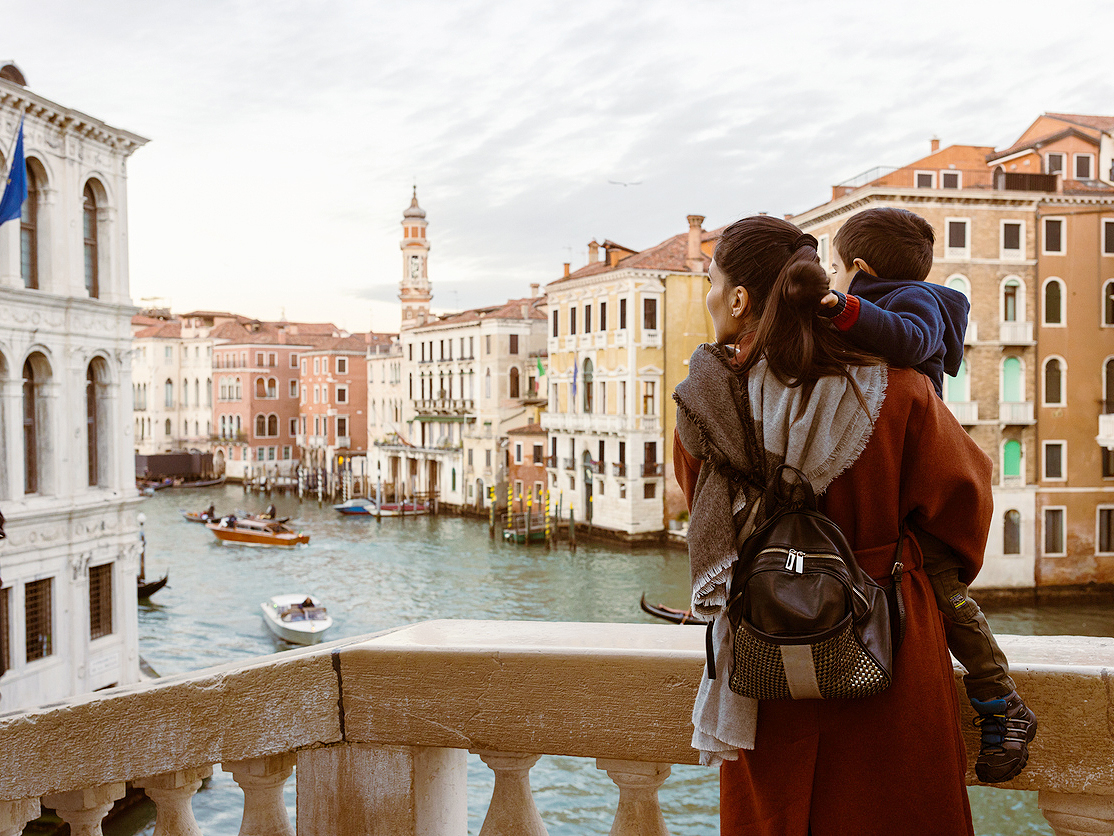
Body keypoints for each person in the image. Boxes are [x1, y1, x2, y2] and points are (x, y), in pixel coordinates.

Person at [673, 215, 994, 835]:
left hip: (764, 654)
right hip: (891, 642)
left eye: (712, 281)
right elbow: (965, 506)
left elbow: (703, 509)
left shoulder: (706, 403)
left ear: (739, 299)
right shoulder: (900, 390)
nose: (709, 295)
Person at [819, 207, 1036, 783]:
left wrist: (842, 309)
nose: (834, 283)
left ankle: (1001, 701)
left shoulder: (917, 303)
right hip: (897, 484)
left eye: (837, 271)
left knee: (942, 590)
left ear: (858, 268)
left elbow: (909, 342)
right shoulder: (875, 314)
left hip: (922, 486)